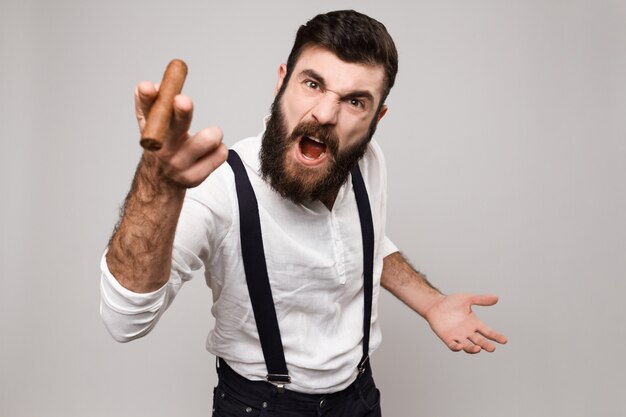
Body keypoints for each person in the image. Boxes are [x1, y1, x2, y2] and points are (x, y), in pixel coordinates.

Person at [100, 9, 507, 417]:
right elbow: (125, 321)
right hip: (261, 407)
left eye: (354, 101)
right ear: (282, 82)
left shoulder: (365, 162)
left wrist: (432, 303)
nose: (325, 114)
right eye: (312, 84)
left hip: (359, 397)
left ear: (376, 119)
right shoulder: (219, 187)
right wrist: (158, 182)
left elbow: (365, 242)